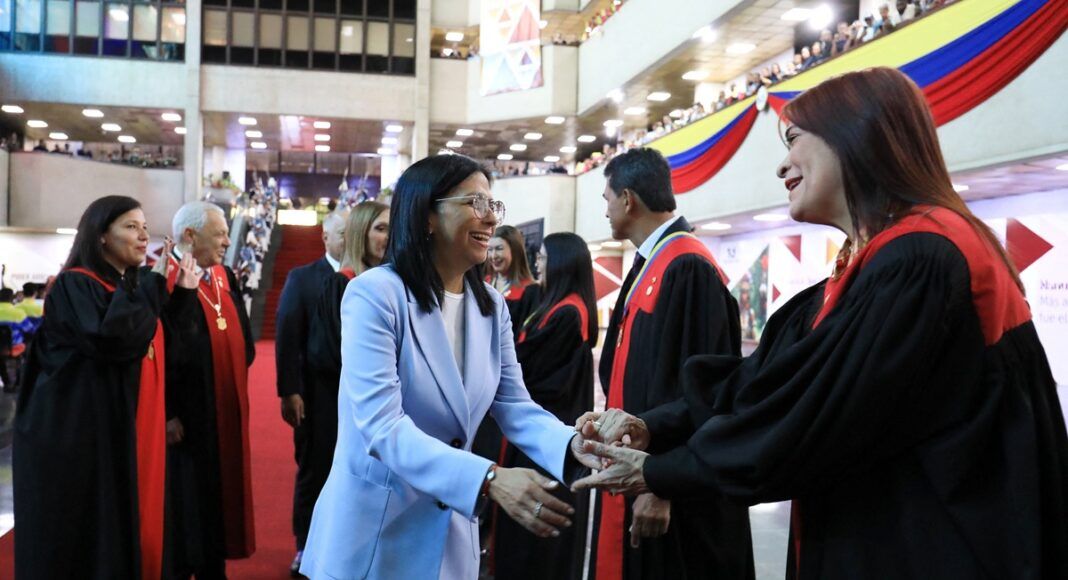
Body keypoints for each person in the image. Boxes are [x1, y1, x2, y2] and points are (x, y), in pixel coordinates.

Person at [574, 67, 1068, 579]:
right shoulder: (875, 261)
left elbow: (812, 416)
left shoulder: (924, 255)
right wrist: (653, 425)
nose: (782, 166)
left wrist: (663, 471)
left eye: (794, 140)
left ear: (856, 136)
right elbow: (771, 380)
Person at [299, 153, 600, 579]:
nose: (490, 220)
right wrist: (488, 479)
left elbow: (515, 406)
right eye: (475, 204)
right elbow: (383, 427)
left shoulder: (490, 306)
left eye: (493, 206)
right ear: (427, 216)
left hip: (450, 531)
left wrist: (576, 446)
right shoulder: (376, 295)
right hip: (375, 533)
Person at [588, 147, 753, 580]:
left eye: (606, 198)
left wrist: (662, 485)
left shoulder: (688, 266)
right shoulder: (653, 262)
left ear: (628, 199)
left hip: (671, 490)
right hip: (642, 470)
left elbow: (704, 393)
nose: (604, 210)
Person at [14, 195, 198, 580]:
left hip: (117, 430)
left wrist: (179, 296)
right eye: (131, 227)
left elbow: (162, 345)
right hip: (79, 439)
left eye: (146, 227)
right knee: (88, 537)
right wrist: (153, 287)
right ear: (100, 236)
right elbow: (110, 339)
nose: (143, 235)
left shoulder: (125, 288)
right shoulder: (74, 285)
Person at [493, 232, 598, 580]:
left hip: (547, 437)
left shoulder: (569, 312)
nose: (538, 263)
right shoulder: (553, 305)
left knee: (536, 545)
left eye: (544, 257)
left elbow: (535, 371)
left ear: (562, 262)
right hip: (536, 431)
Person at [163, 200, 256, 579]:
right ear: (190, 235)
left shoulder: (223, 276)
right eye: (219, 234)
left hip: (223, 409)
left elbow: (245, 342)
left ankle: (213, 565)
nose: (225, 242)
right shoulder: (165, 280)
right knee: (189, 500)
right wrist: (169, 411)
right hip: (187, 416)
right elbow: (162, 353)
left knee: (217, 494)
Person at [298, 201, 390, 574]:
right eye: (380, 228)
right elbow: (323, 353)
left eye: (391, 229)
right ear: (361, 233)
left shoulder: (391, 282)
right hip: (345, 407)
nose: (388, 236)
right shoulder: (342, 283)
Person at [274, 207, 349, 575]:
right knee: (314, 470)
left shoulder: (373, 277)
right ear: (326, 237)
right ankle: (305, 544)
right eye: (343, 233)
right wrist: (289, 391)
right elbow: (288, 337)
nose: (350, 239)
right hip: (316, 396)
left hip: (357, 397)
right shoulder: (303, 278)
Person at [487, 224, 541, 338]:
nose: (493, 256)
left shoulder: (530, 290)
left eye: (499, 249)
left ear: (515, 251)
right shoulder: (484, 284)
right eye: (490, 249)